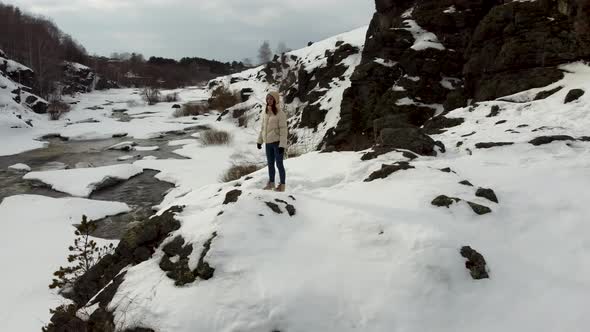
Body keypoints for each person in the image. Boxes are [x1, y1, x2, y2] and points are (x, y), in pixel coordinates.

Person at [257, 91, 288, 192]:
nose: (269, 100)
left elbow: (284, 130)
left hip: (277, 144)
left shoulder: (280, 113)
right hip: (268, 143)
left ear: (275, 100)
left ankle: (282, 186)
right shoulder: (265, 112)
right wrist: (260, 141)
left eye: (271, 99)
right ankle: (271, 183)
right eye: (267, 99)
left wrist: (282, 145)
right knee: (270, 164)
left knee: (279, 164)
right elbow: (263, 128)